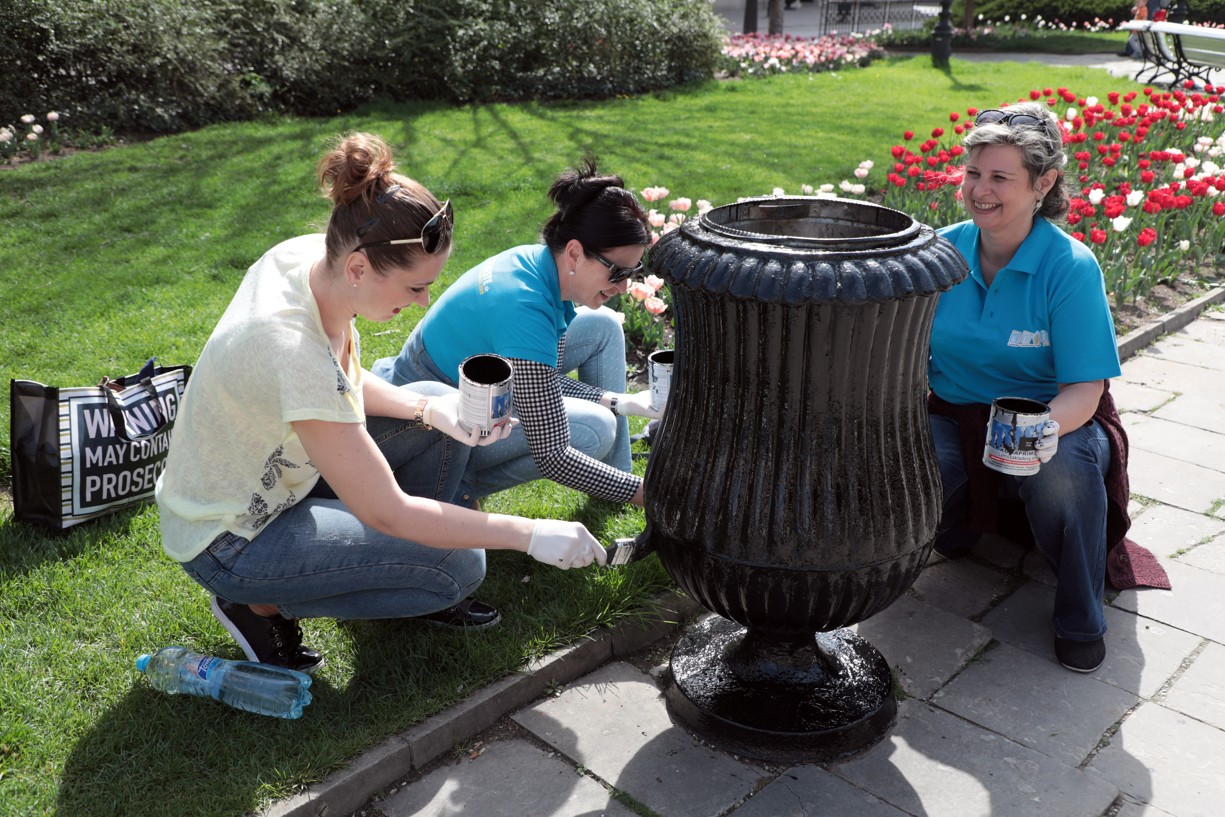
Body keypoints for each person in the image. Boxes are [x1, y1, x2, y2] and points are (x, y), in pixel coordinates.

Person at [156, 133, 607, 674]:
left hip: (282, 477)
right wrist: (531, 534)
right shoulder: (289, 348)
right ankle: (257, 601)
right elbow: (385, 510)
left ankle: (387, 567)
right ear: (358, 270)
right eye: (417, 289)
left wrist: (429, 412)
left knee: (441, 401)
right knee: (458, 569)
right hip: (234, 537)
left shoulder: (308, 258)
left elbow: (339, 379)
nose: (423, 303)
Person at [925, 101, 1166, 674]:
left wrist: (1029, 433)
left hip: (1057, 415)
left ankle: (1080, 616)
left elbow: (1085, 391)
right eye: (973, 174)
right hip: (952, 411)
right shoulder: (940, 252)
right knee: (910, 467)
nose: (980, 190)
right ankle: (955, 527)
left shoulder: (1070, 267)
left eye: (1000, 177)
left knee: (1058, 472)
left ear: (1045, 182)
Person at [372, 158, 662, 508]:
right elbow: (553, 453)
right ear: (574, 253)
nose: (624, 286)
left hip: (449, 378)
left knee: (602, 328)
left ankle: (618, 478)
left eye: (634, 271)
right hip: (431, 421)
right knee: (595, 427)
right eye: (618, 272)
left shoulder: (537, 265)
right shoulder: (525, 310)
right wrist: (659, 497)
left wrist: (620, 401)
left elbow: (535, 381)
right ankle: (456, 485)